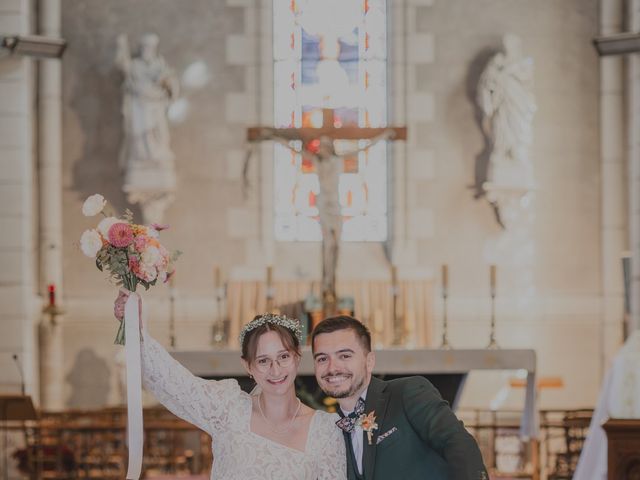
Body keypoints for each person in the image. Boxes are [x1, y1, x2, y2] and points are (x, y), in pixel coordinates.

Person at [114, 291, 346, 479]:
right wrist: (137, 327)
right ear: (248, 367)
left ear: (297, 357)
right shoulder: (227, 408)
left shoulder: (324, 431)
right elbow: (172, 382)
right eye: (263, 361)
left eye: (283, 357)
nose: (275, 370)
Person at [311, 315, 488, 480]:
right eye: (322, 359)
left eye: (345, 356)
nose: (332, 368)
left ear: (369, 361)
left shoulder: (407, 392)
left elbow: (458, 444)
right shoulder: (328, 429)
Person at [115, 33, 178, 191]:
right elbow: (123, 66)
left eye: (150, 47)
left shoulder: (160, 64)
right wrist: (121, 47)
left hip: (156, 105)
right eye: (145, 46)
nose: (147, 49)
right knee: (139, 134)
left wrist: (168, 86)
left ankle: (157, 159)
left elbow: (170, 85)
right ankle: (142, 161)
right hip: (140, 106)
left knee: (159, 133)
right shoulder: (136, 65)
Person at [477, 33, 536, 188]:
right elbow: (487, 83)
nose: (509, 47)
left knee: (518, 132)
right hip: (503, 106)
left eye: (512, 44)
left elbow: (527, 78)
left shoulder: (524, 63)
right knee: (501, 129)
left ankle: (517, 153)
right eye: (506, 44)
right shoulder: (497, 63)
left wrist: (506, 70)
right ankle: (502, 152)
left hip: (518, 105)